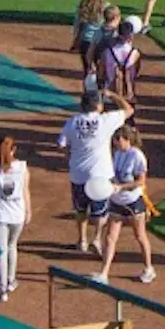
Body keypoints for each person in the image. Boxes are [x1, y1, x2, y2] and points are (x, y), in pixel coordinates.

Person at [58, 88, 134, 253]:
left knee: (80, 210)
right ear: (98, 105)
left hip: (78, 174)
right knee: (101, 213)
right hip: (100, 176)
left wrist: (70, 159)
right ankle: (97, 238)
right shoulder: (105, 121)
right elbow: (129, 110)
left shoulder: (72, 121)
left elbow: (61, 144)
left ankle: (82, 240)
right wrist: (113, 94)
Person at [96, 125, 155, 285]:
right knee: (110, 238)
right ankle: (104, 273)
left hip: (133, 202)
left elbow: (141, 181)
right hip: (117, 201)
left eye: (118, 140)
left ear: (127, 140)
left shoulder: (137, 156)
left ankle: (149, 268)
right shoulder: (117, 154)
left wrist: (120, 187)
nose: (116, 144)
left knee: (140, 236)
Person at [0, 135, 29, 303]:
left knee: (1, 251)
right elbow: (26, 190)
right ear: (14, 150)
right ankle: (11, 281)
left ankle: (3, 289)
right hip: (17, 215)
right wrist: (29, 211)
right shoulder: (23, 167)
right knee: (12, 246)